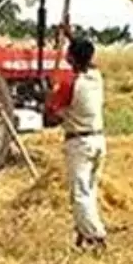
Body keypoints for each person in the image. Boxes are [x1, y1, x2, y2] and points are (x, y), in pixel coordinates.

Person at [43, 37, 108, 250]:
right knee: (90, 190)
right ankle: (84, 233)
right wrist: (70, 35)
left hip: (79, 143)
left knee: (80, 194)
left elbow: (52, 119)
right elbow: (85, 58)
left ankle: (95, 237)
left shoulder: (70, 84)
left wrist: (49, 96)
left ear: (70, 57)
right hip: (98, 140)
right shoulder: (96, 77)